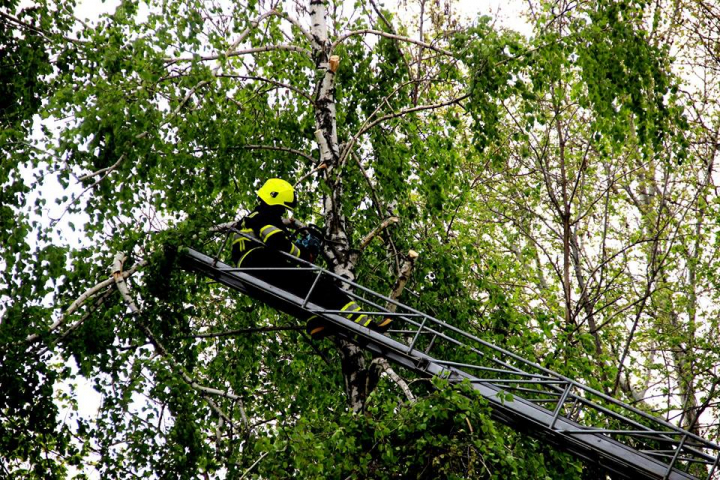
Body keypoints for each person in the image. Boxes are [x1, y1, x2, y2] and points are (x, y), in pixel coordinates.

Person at [231, 178, 392, 339]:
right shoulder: (265, 216)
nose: (281, 213)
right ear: (274, 199)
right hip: (262, 265)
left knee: (305, 292)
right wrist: (304, 252)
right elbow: (278, 242)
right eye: (281, 208)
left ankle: (316, 321)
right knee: (322, 284)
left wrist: (297, 250)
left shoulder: (250, 219)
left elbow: (275, 245)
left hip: (257, 268)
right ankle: (368, 326)